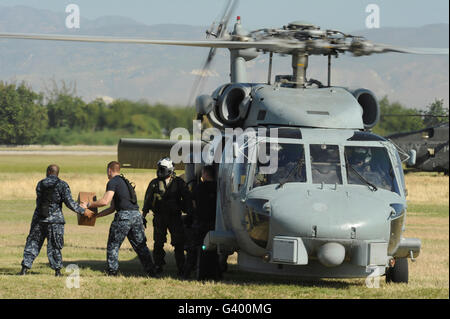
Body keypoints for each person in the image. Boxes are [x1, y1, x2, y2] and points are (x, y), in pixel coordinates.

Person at [85, 161, 156, 277]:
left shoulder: (113, 182)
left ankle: (112, 272)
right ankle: (151, 271)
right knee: (141, 246)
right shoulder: (124, 182)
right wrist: (97, 216)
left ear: (109, 170)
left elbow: (105, 201)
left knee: (113, 245)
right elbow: (112, 208)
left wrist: (88, 205)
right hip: (136, 216)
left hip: (124, 217)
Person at [20, 164, 93, 276]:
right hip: (55, 221)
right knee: (54, 246)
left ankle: (24, 268)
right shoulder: (62, 185)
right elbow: (69, 203)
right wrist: (83, 211)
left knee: (33, 243)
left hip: (39, 219)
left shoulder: (41, 183)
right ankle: (57, 271)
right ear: (57, 173)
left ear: (49, 172)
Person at [142, 157, 192, 276]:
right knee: (158, 243)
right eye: (159, 169)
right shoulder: (154, 183)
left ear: (169, 170)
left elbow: (188, 199)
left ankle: (181, 267)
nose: (159, 171)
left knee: (178, 243)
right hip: (159, 217)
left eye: (162, 169)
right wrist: (143, 216)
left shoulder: (179, 183)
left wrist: (190, 214)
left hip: (175, 218)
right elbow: (147, 200)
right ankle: (158, 265)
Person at [182, 165, 219, 280]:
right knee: (212, 250)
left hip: (200, 224)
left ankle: (187, 273)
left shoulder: (199, 188)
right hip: (213, 224)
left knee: (193, 249)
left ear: (205, 174)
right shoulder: (217, 188)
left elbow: (193, 204)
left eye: (202, 173)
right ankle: (215, 274)